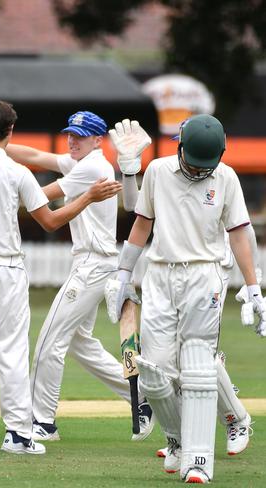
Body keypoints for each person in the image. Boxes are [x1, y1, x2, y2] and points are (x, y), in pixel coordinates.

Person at [0, 99, 122, 454]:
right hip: (7, 268)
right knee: (12, 349)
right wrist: (89, 197)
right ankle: (17, 434)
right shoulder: (17, 173)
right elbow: (49, 220)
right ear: (10, 131)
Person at [0, 113, 155, 443]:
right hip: (94, 263)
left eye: (81, 136)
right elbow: (34, 156)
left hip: (92, 266)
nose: (72, 140)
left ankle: (42, 422)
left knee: (49, 343)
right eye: (70, 134)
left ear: (97, 140)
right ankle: (143, 397)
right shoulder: (80, 162)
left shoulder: (92, 167)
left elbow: (39, 195)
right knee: (80, 344)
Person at [105, 114, 265, 484]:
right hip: (160, 275)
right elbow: (141, 221)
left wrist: (254, 287)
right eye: (192, 162)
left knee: (196, 364)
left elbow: (240, 232)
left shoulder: (225, 177)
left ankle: (199, 458)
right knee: (155, 373)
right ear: (180, 149)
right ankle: (177, 438)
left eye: (204, 165)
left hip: (204, 273)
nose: (197, 171)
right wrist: (123, 273)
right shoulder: (159, 172)